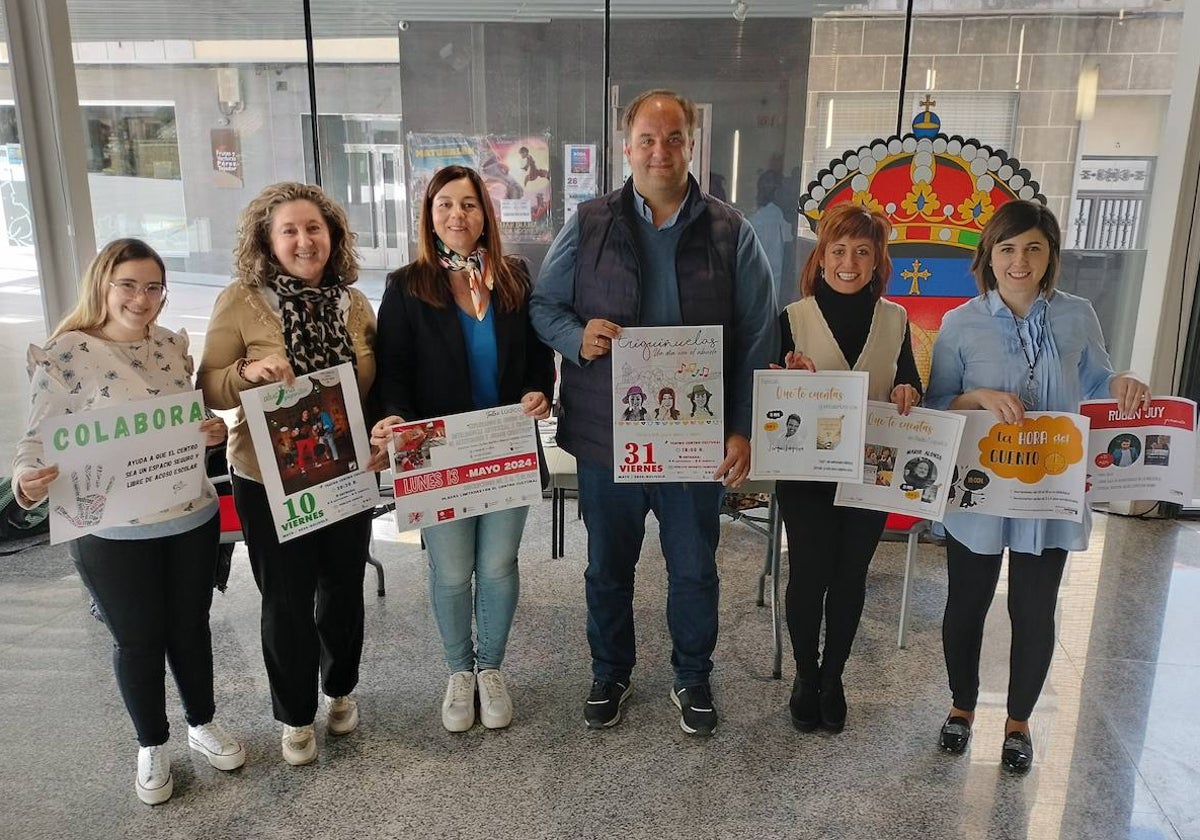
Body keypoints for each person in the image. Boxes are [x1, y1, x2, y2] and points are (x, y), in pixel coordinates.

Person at [530, 88, 778, 736]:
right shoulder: (587, 225)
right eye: (648, 138)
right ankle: (609, 672)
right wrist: (574, 339)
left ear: (692, 145)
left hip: (694, 437)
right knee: (606, 566)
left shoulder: (731, 231)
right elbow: (543, 306)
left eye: (674, 138)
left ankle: (693, 676)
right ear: (626, 145)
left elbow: (756, 334)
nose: (660, 150)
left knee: (695, 566)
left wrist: (743, 428)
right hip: (607, 435)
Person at [11, 238, 244, 805]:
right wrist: (24, 477)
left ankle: (201, 723)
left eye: (153, 287)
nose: (142, 299)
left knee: (191, 628)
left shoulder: (169, 346)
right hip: (111, 529)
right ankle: (151, 744)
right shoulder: (66, 353)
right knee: (137, 639)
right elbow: (37, 437)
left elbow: (191, 417)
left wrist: (212, 427)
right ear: (103, 285)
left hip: (189, 516)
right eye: (128, 285)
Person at [925, 200, 1150, 772]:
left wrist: (1122, 379)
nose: (1018, 261)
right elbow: (935, 403)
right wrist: (979, 398)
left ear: (1050, 256)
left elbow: (1098, 377)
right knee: (966, 606)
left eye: (1033, 248)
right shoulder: (960, 322)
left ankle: (1019, 722)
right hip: (979, 492)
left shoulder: (1078, 314)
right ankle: (961, 708)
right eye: (1007, 248)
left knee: (1035, 609)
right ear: (989, 257)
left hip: (1050, 489)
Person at [198, 182, 377, 766]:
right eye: (290, 231)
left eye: (315, 228)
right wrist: (249, 372)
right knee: (285, 598)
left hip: (344, 468)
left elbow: (375, 379)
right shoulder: (241, 301)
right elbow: (209, 382)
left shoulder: (353, 304)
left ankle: (340, 687)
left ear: (333, 236)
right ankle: (296, 715)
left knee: (343, 589)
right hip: (266, 475)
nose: (304, 241)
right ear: (267, 240)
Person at [370, 165, 554, 733]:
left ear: (486, 214)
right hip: (437, 451)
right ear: (429, 215)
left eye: (469, 204)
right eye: (445, 204)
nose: (457, 215)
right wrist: (392, 416)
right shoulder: (407, 285)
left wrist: (538, 393)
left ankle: (491, 668)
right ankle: (459, 671)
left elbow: (537, 358)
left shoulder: (514, 277)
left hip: (503, 445)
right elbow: (393, 370)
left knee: (497, 565)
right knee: (451, 572)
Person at [774, 203, 923, 734]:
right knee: (809, 573)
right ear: (821, 256)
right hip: (806, 470)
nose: (849, 262)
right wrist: (789, 374)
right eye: (838, 250)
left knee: (850, 576)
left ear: (878, 259)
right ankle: (805, 675)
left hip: (872, 467)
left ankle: (834, 676)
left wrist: (910, 390)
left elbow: (906, 379)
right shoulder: (793, 317)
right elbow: (769, 391)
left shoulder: (896, 318)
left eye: (862, 252)